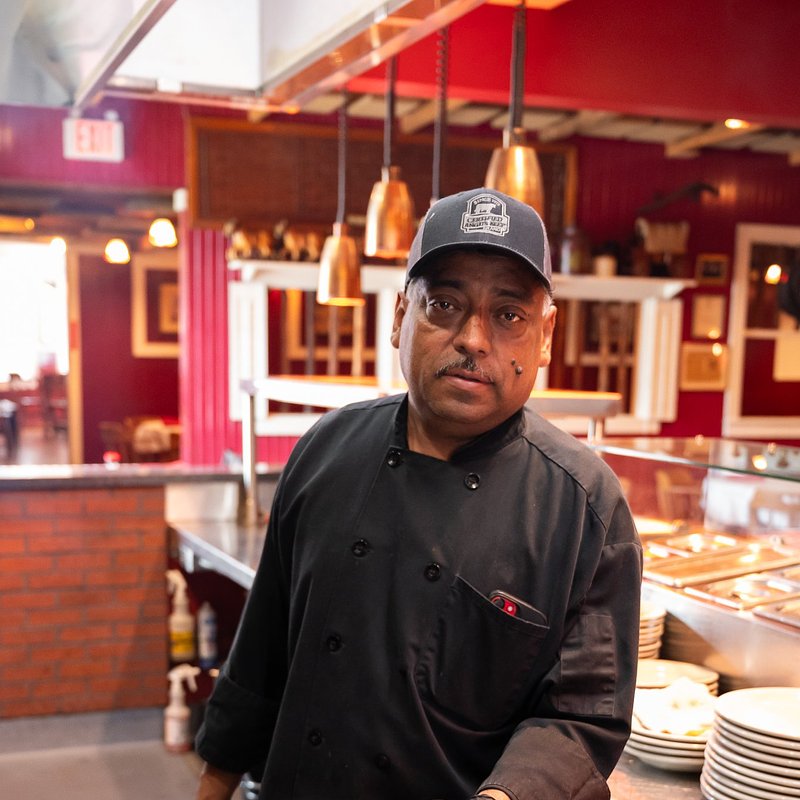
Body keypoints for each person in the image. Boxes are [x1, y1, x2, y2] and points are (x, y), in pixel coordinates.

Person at [195, 187, 642, 800]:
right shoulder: (325, 450)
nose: (474, 339)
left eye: (509, 314)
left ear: (545, 336)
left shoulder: (586, 507)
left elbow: (581, 719)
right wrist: (212, 787)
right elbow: (260, 655)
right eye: (445, 304)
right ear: (401, 315)